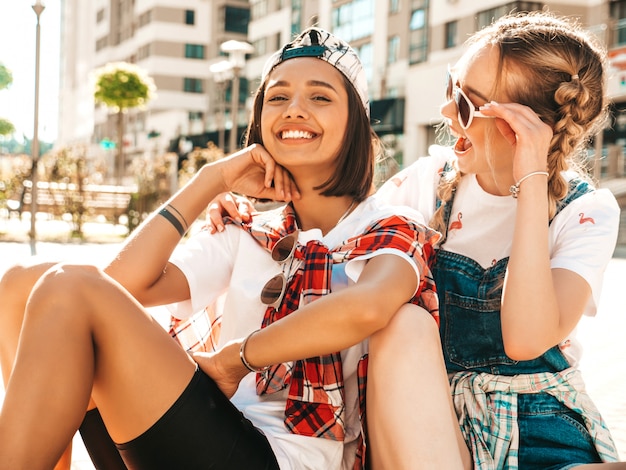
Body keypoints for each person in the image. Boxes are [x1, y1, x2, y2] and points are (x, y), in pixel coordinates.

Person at [0, 28, 469, 469]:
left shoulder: (390, 227)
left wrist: (235, 360)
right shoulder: (245, 229)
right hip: (199, 428)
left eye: (320, 97)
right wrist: (211, 180)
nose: (294, 109)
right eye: (278, 97)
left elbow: (365, 308)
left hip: (284, 455)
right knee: (23, 284)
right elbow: (120, 288)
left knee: (68, 286)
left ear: (356, 124)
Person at [207, 12, 624, 469]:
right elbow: (337, 238)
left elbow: (525, 340)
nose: (446, 113)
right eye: (451, 89)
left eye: (465, 104)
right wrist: (255, 215)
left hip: (540, 431)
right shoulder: (429, 185)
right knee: (403, 321)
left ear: (524, 126)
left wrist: (531, 178)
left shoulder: (586, 211)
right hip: (425, 423)